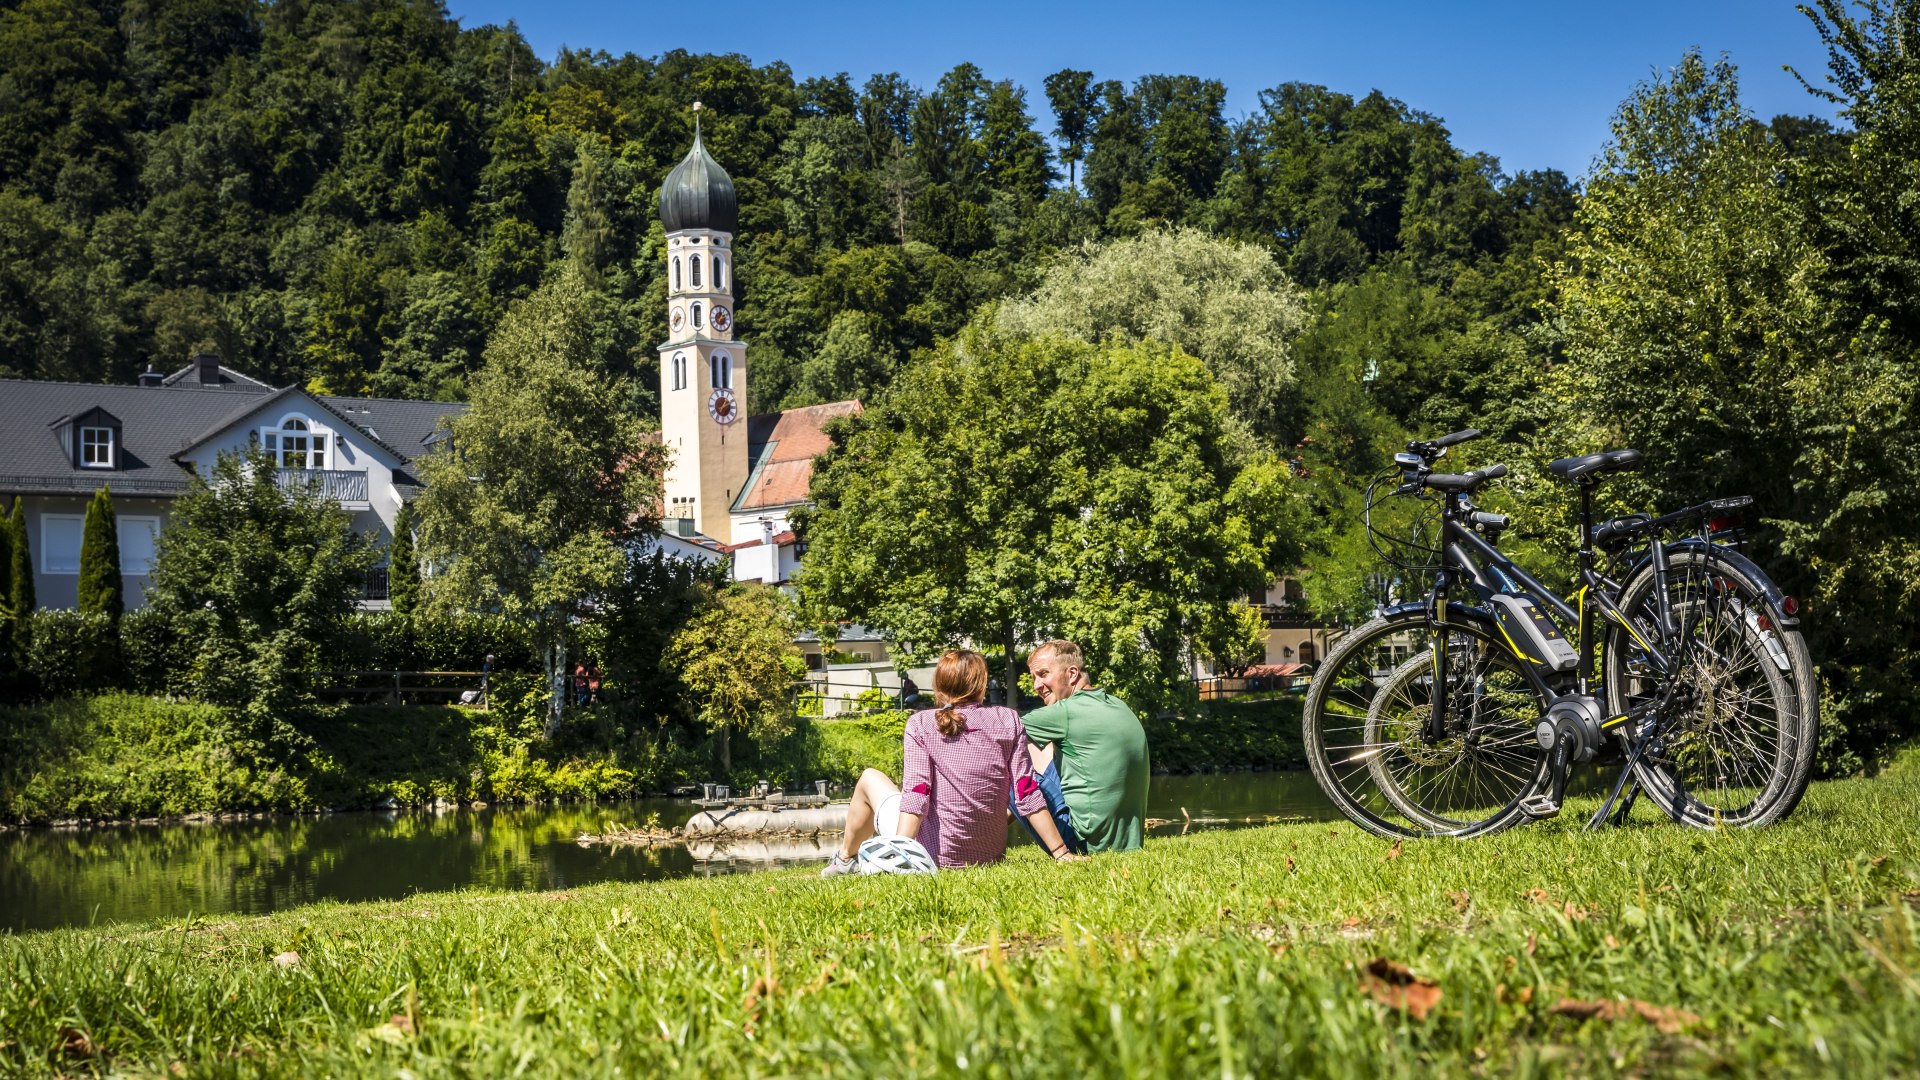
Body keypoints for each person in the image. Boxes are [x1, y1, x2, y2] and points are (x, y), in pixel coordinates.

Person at [823, 649, 1082, 876]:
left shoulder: (921, 724)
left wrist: (903, 854)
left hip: (932, 855)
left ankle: (845, 859)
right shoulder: (1008, 720)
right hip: (989, 856)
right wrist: (1060, 852)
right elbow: (1026, 791)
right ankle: (847, 859)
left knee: (870, 777)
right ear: (980, 686)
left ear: (940, 686)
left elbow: (917, 792)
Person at [1012, 640, 1150, 854]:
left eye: (1043, 674)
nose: (1036, 686)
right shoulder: (1118, 704)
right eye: (1034, 677)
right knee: (1046, 751)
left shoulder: (1065, 713)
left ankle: (977, 841)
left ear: (1072, 674)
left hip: (1086, 844)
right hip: (1128, 844)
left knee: (1009, 760)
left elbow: (996, 732)